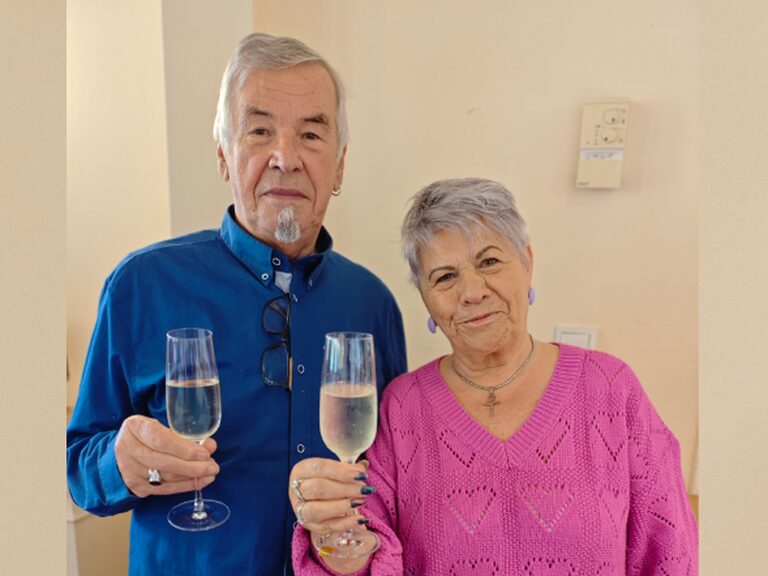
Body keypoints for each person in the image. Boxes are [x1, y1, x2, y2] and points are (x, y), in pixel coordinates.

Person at [66, 32, 407, 576]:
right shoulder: (140, 285)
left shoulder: (374, 305)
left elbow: (390, 479)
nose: (285, 157)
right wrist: (121, 464)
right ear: (224, 156)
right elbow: (78, 470)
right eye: (260, 130)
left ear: (339, 166)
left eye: (312, 134)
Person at [289, 178, 698, 575]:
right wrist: (338, 544)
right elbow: (364, 552)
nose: (472, 291)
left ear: (527, 263)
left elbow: (672, 554)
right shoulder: (402, 407)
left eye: (489, 261)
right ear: (426, 300)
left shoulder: (611, 389)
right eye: (445, 276)